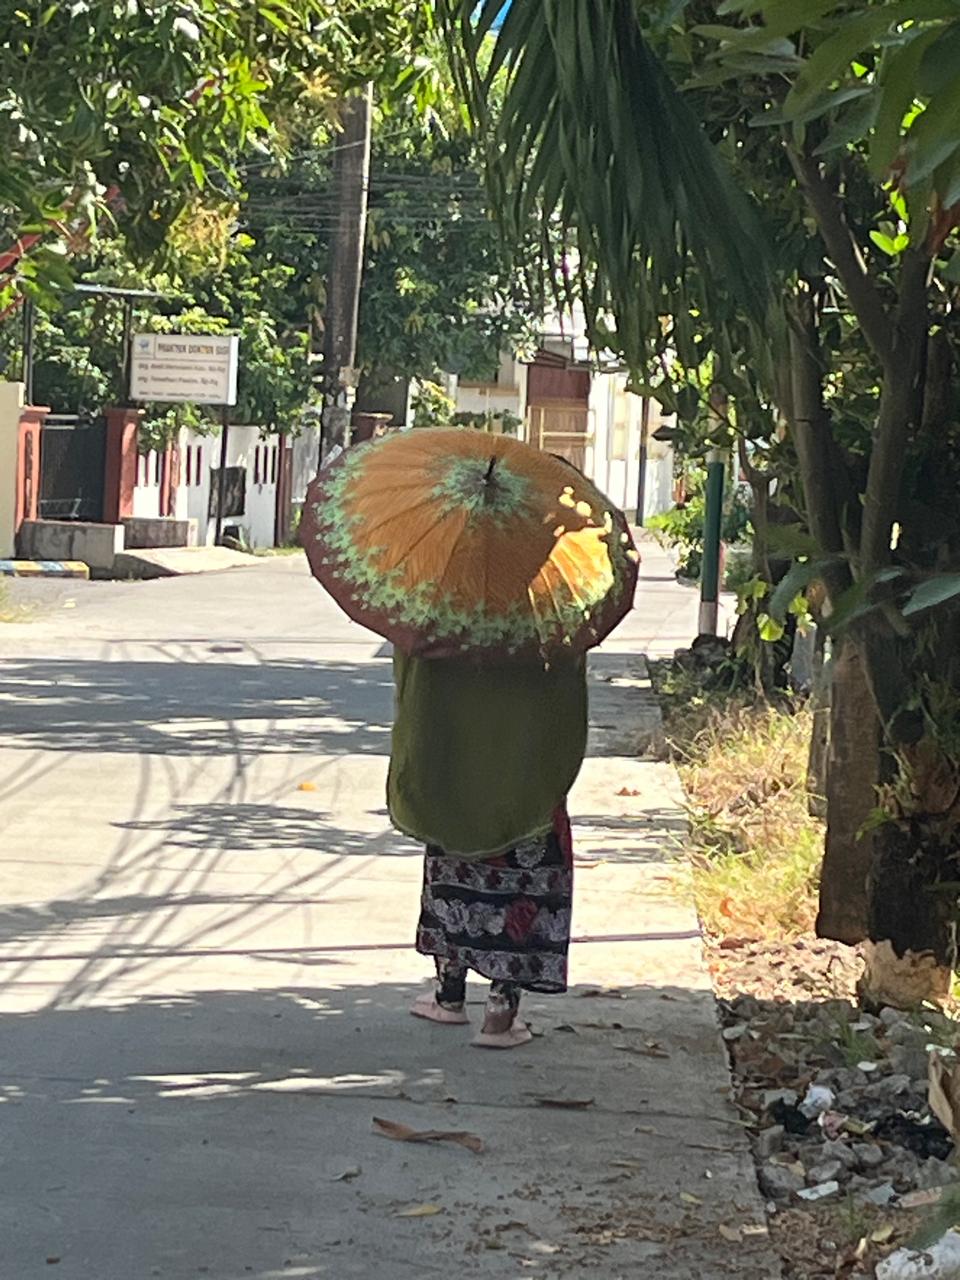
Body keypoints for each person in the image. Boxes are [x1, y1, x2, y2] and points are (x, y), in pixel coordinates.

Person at [388, 649, 588, 1049]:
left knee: (453, 852)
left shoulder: (438, 597)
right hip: (527, 774)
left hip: (455, 762)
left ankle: (449, 994)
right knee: (524, 859)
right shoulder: (552, 602)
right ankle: (500, 1012)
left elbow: (412, 668)